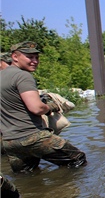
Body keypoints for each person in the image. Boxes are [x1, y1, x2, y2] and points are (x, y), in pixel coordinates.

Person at [0, 41, 86, 173]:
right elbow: (37, 108)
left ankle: (35, 194)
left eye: (36, 57)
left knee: (26, 176)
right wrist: (50, 107)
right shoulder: (22, 76)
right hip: (31, 137)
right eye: (29, 57)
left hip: (10, 142)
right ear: (15, 57)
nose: (34, 61)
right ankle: (65, 193)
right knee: (78, 158)